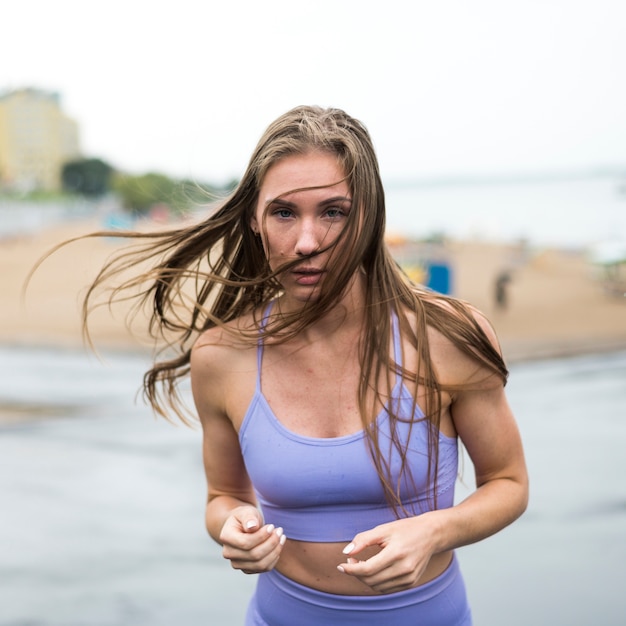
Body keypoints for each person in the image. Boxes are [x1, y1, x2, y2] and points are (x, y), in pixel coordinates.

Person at [79, 106, 528, 625]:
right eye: (284, 213)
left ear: (367, 216)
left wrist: (435, 530)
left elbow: (509, 482)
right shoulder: (222, 355)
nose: (307, 241)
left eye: (333, 211)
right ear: (256, 219)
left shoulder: (445, 336)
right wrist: (235, 525)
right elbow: (223, 496)